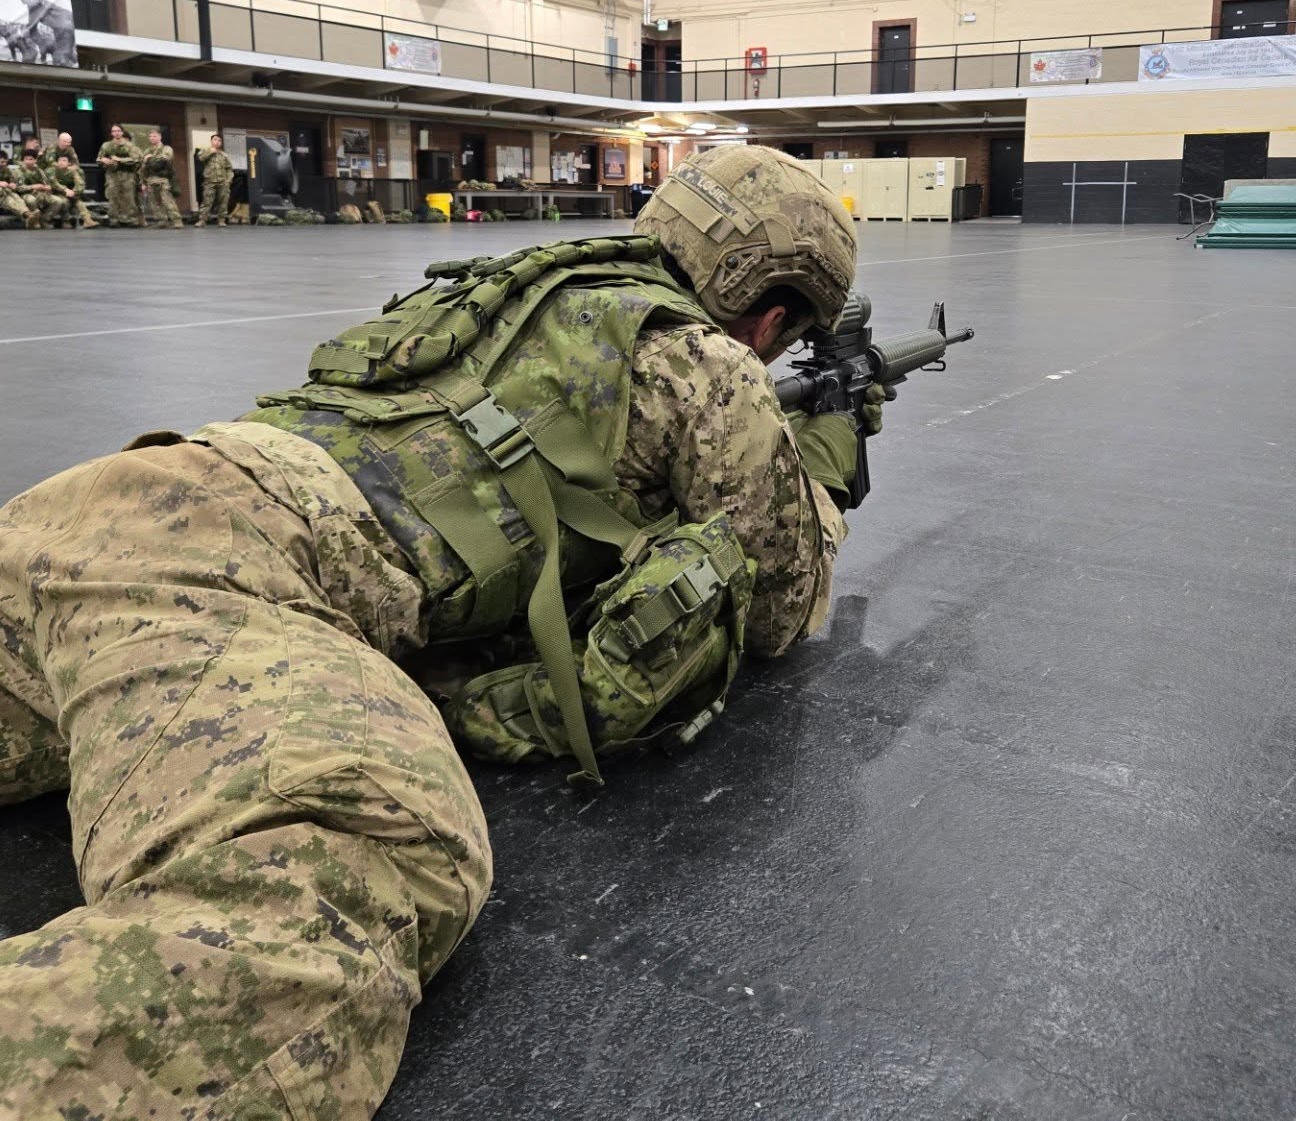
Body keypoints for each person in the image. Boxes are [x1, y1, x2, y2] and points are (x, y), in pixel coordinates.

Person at [0, 145, 869, 1116]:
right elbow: (784, 605)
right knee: (356, 886)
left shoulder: (510, 291)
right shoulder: (710, 367)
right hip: (236, 581)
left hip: (100, 512)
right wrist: (828, 461)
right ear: (769, 316)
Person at [41, 133, 99, 229]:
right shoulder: (52, 148)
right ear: (59, 141)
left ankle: (87, 220)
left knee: (77, 196)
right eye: (65, 142)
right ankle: (64, 221)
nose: (68, 144)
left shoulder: (70, 149)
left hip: (66, 180)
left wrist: (74, 191)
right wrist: (63, 165)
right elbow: (50, 162)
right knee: (65, 200)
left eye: (69, 142)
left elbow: (76, 163)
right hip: (54, 179)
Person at [96, 124, 143, 227]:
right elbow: (99, 159)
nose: (116, 133)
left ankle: (131, 219)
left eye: (118, 131)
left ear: (122, 132)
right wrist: (104, 160)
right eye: (114, 131)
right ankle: (114, 220)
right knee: (113, 197)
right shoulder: (106, 145)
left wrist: (120, 160)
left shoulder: (129, 146)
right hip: (112, 175)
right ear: (111, 133)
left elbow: (137, 159)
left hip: (127, 175)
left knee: (129, 198)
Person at [14, 138, 66, 228]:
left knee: (58, 201)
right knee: (31, 200)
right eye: (26, 159)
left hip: (40, 193)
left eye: (31, 159)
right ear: (23, 160)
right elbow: (19, 188)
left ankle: (44, 219)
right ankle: (35, 220)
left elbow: (47, 183)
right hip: (26, 194)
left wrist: (47, 188)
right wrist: (34, 186)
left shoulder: (39, 170)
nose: (28, 161)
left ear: (35, 160)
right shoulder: (19, 171)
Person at [139, 129, 185, 229]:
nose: (152, 138)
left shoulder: (166, 149)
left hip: (163, 180)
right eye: (150, 136)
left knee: (168, 201)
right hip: (150, 180)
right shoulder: (147, 151)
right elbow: (143, 167)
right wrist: (143, 182)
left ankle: (177, 221)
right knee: (155, 202)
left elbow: (165, 159)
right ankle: (161, 221)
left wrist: (149, 158)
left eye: (154, 136)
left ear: (160, 137)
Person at [196, 134, 234, 226]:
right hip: (209, 181)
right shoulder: (205, 151)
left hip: (223, 181)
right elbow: (201, 158)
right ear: (211, 141)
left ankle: (221, 220)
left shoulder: (224, 155)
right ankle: (202, 220)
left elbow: (229, 169)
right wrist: (210, 152)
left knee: (223, 201)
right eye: (215, 140)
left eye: (219, 140)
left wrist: (228, 180)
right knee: (207, 201)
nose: (217, 142)